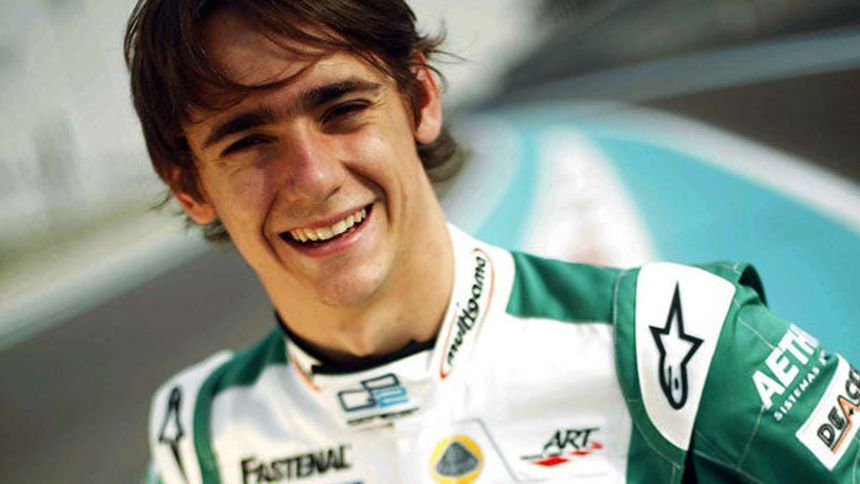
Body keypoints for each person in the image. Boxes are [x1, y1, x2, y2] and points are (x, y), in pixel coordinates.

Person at [125, 1, 859, 482]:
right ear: (189, 184)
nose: (313, 179)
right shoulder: (201, 440)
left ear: (419, 100)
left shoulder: (683, 344)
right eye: (249, 142)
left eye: (343, 109)